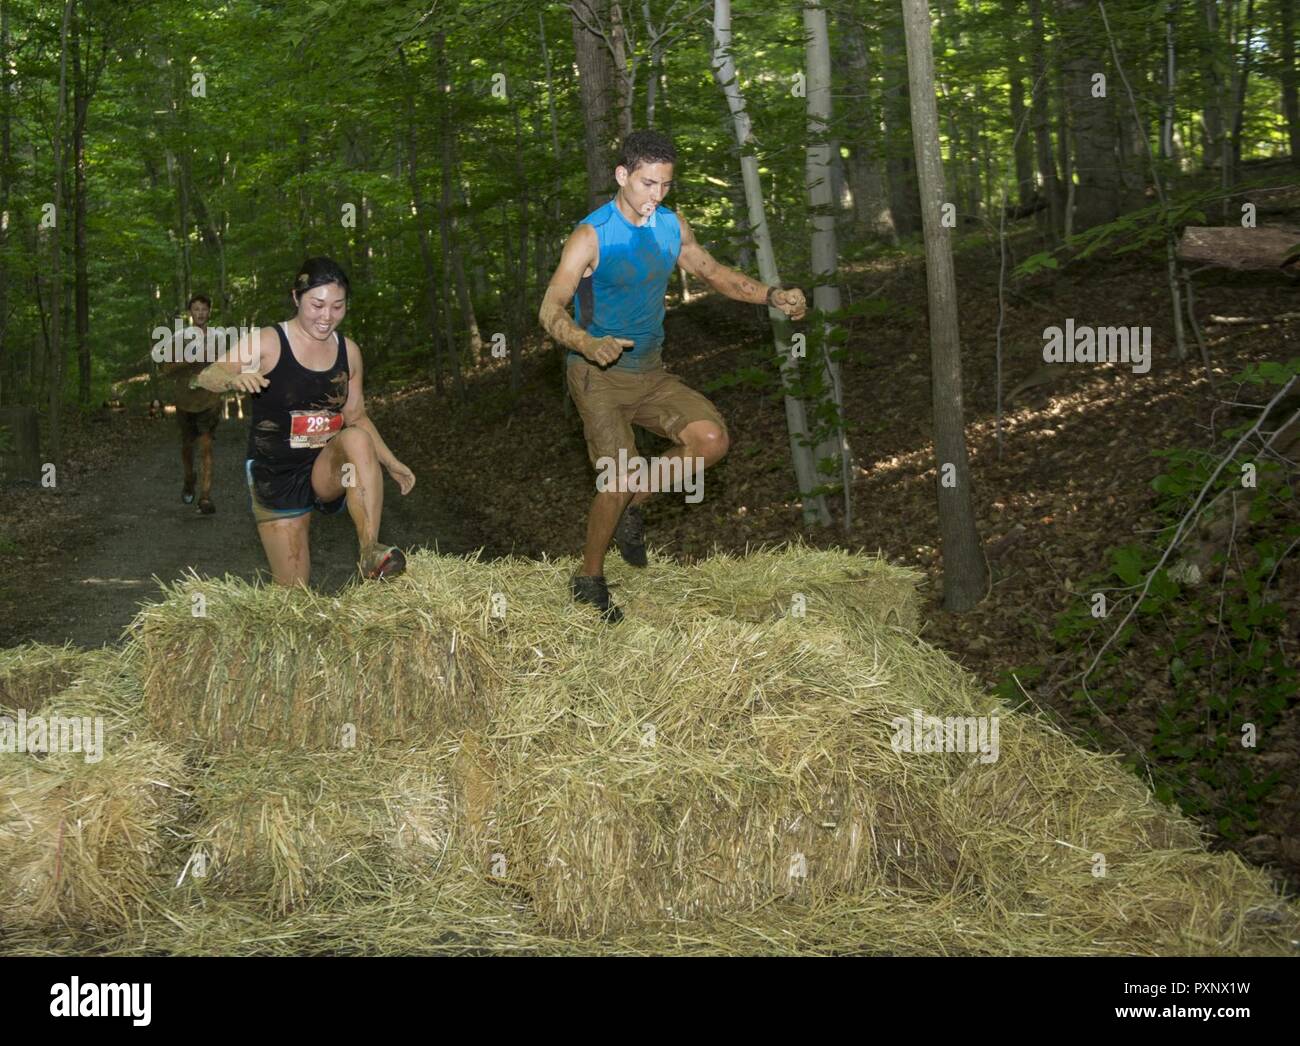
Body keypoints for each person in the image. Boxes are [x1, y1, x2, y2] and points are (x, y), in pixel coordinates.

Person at [539, 130, 807, 622]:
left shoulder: (669, 226)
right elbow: (550, 307)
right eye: (645, 184)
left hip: (650, 372)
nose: (654, 196)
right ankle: (589, 577)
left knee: (710, 439)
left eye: (664, 185)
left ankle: (631, 504)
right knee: (615, 479)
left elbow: (714, 272)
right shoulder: (591, 235)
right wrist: (586, 342)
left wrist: (773, 295)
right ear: (622, 176)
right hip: (596, 374)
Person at [192, 257, 413, 585]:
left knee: (355, 437)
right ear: (297, 298)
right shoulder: (268, 341)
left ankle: (370, 551)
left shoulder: (348, 352)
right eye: (317, 304)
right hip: (275, 472)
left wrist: (391, 462)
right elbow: (208, 375)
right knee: (293, 596)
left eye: (338, 306)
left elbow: (356, 415)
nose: (327, 317)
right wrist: (234, 379)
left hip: (326, 466)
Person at [162, 294, 221, 513]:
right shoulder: (179, 338)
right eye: (196, 309)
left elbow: (229, 366)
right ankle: (189, 478)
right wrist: (190, 359)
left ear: (209, 312)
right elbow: (166, 369)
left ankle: (205, 497)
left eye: (204, 309)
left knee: (206, 446)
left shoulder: (219, 337)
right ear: (190, 313)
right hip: (185, 400)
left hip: (210, 399)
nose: (200, 313)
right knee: (188, 446)